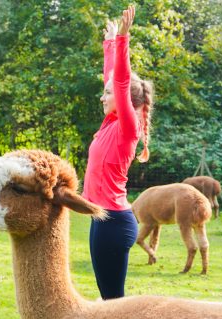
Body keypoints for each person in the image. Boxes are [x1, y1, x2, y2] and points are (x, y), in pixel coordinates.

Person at [82, 5, 154, 300]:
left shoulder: (128, 126)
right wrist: (110, 43)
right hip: (100, 217)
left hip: (114, 222)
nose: (103, 95)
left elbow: (120, 83)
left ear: (124, 100)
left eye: (107, 94)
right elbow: (113, 78)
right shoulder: (110, 121)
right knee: (107, 299)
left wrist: (124, 40)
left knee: (113, 301)